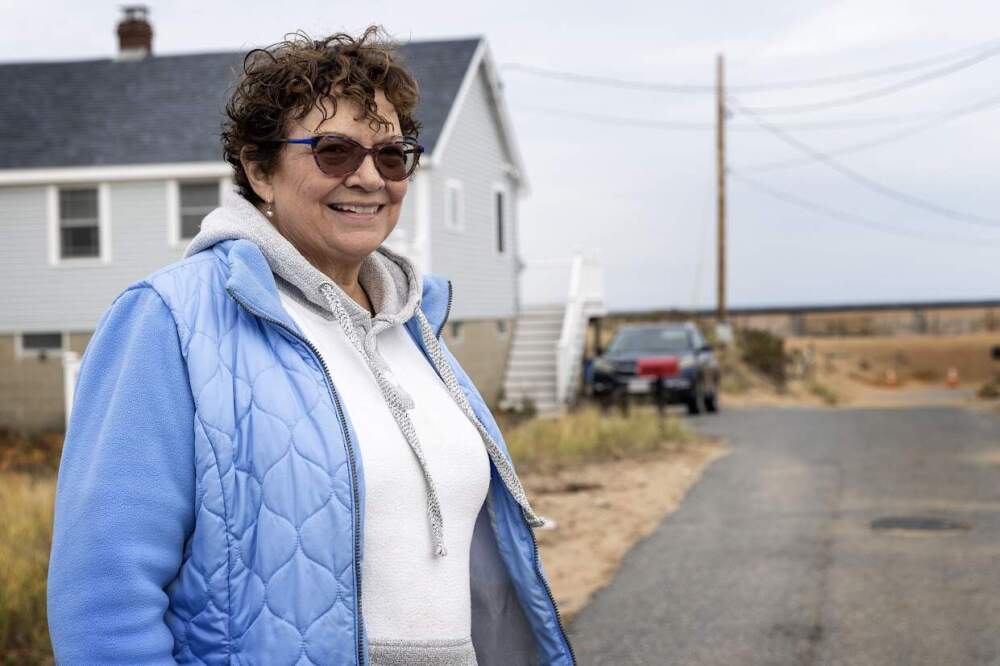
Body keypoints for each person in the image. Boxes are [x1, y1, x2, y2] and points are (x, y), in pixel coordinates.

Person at [47, 27, 575, 666]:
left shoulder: (416, 329)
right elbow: (104, 595)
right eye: (333, 152)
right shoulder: (169, 320)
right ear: (259, 170)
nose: (367, 177)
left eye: (391, 155)